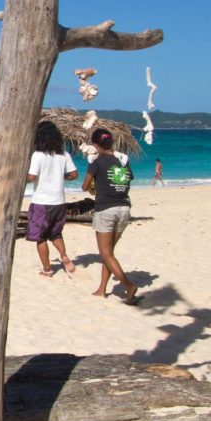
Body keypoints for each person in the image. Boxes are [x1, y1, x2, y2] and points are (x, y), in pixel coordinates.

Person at [82, 128, 139, 304]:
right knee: (109, 253)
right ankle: (102, 288)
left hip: (106, 209)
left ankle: (128, 285)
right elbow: (127, 180)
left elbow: (85, 186)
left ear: (97, 145)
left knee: (105, 253)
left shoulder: (97, 162)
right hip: (124, 208)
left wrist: (95, 186)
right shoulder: (122, 161)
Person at [26, 121, 79, 277]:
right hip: (59, 202)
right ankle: (63, 255)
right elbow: (74, 174)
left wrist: (20, 177)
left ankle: (47, 269)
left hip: (42, 202)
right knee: (55, 234)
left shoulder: (38, 155)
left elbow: (31, 177)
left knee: (40, 238)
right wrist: (60, 177)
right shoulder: (64, 155)